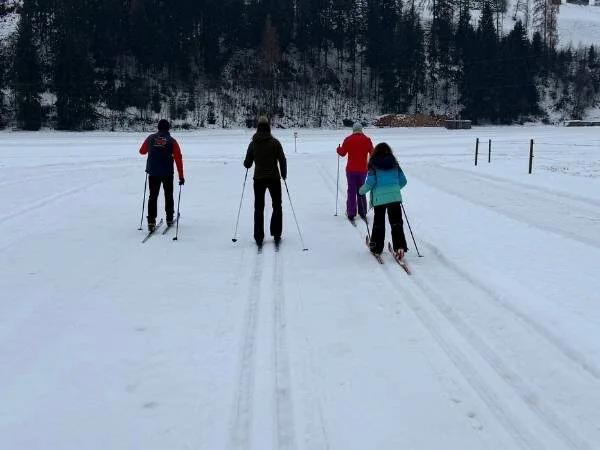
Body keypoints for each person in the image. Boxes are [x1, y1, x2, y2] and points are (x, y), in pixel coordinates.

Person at [243, 116, 287, 248]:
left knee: (259, 207)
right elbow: (282, 159)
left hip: (259, 179)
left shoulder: (253, 143)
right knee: (277, 205)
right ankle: (276, 233)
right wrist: (284, 174)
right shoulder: (275, 142)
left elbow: (248, 163)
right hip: (274, 178)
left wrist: (247, 163)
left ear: (258, 127)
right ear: (268, 127)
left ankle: (259, 236)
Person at [359, 142, 408, 259]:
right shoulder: (394, 163)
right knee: (396, 222)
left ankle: (376, 247)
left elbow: (371, 182)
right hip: (395, 198)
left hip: (379, 199)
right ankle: (400, 247)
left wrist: (361, 191)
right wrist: (394, 189)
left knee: (378, 223)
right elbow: (403, 181)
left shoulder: (373, 163)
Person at [139, 119, 184, 232]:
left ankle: (151, 222)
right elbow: (178, 158)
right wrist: (181, 176)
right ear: (168, 128)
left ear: (158, 127)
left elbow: (142, 151)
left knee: (152, 197)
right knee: (168, 195)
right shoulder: (172, 141)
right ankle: (169, 219)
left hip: (153, 172)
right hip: (167, 173)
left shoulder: (150, 138)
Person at [336, 122, 373, 222]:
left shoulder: (348, 139)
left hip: (351, 170)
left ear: (353, 130)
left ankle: (351, 213)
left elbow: (343, 153)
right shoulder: (367, 140)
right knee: (361, 190)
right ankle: (363, 211)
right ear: (361, 130)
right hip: (363, 169)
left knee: (351, 190)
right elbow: (372, 153)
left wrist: (338, 149)